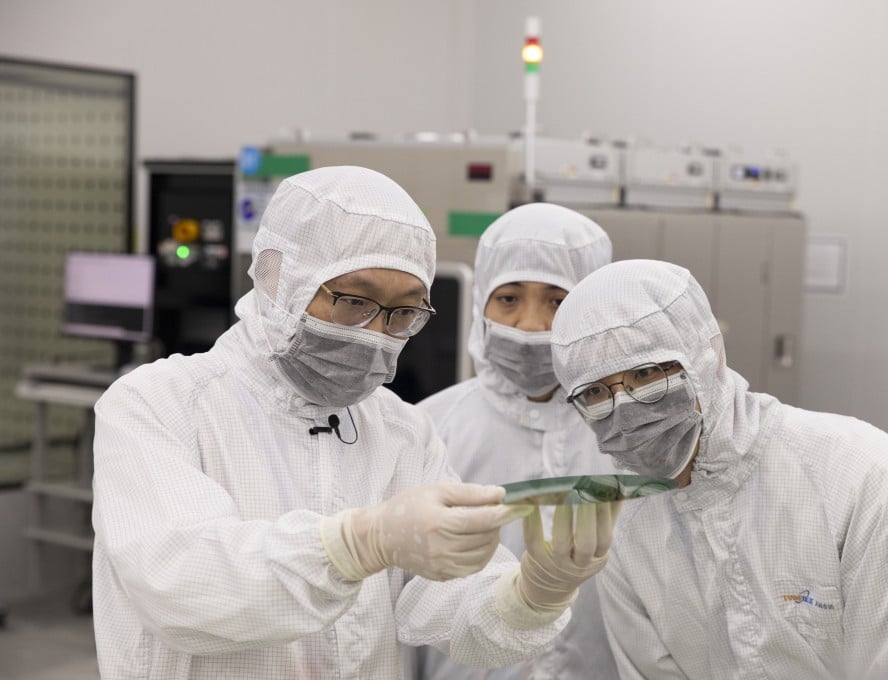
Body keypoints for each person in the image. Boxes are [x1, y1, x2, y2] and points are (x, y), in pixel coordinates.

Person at [90, 166, 617, 679]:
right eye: (354, 301)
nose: (376, 333)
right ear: (279, 279)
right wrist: (358, 544)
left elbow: (440, 603)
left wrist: (528, 596)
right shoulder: (160, 404)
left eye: (402, 313)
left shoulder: (401, 431)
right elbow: (182, 587)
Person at [548, 259, 888, 680]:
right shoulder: (625, 530)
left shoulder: (864, 480)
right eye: (595, 393)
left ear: (709, 355)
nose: (625, 409)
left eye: (646, 373)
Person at [413, 203, 621, 680]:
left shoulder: (626, 435)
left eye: (557, 301)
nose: (529, 324)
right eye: (508, 298)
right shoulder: (430, 429)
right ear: (480, 304)